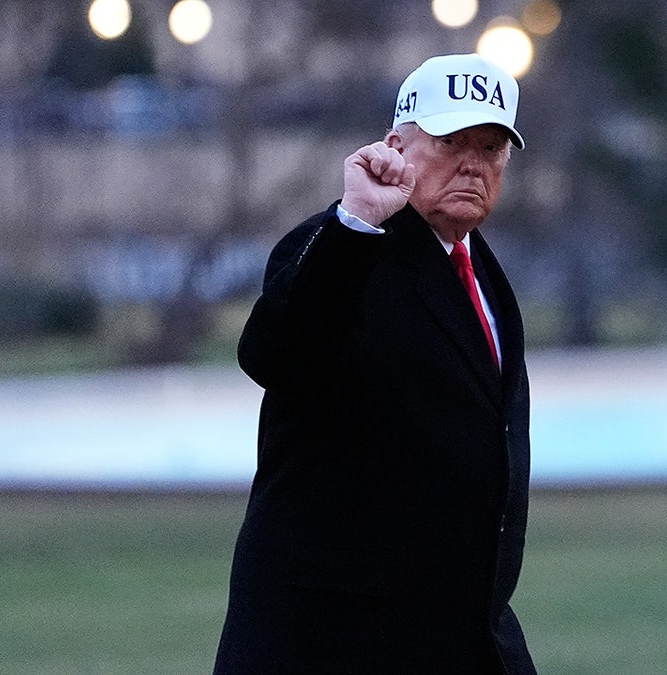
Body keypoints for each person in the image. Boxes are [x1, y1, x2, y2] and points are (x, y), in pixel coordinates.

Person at [213, 53, 536, 674]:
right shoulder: (345, 247)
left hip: (459, 630)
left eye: (492, 146)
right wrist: (356, 222)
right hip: (335, 639)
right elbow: (277, 355)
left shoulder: (479, 270)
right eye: (449, 140)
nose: (473, 162)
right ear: (395, 146)